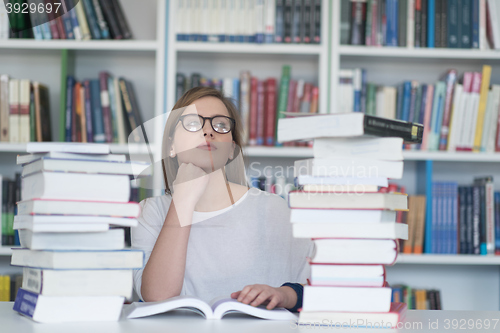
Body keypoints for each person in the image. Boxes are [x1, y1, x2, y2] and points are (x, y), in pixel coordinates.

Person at [132, 86, 314, 312]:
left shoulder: (275, 209)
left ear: (231, 150)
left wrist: (285, 294)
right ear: (171, 146)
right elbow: (157, 296)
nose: (208, 131)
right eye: (192, 123)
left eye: (221, 124)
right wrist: (184, 200)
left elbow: (322, 288)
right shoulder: (150, 212)